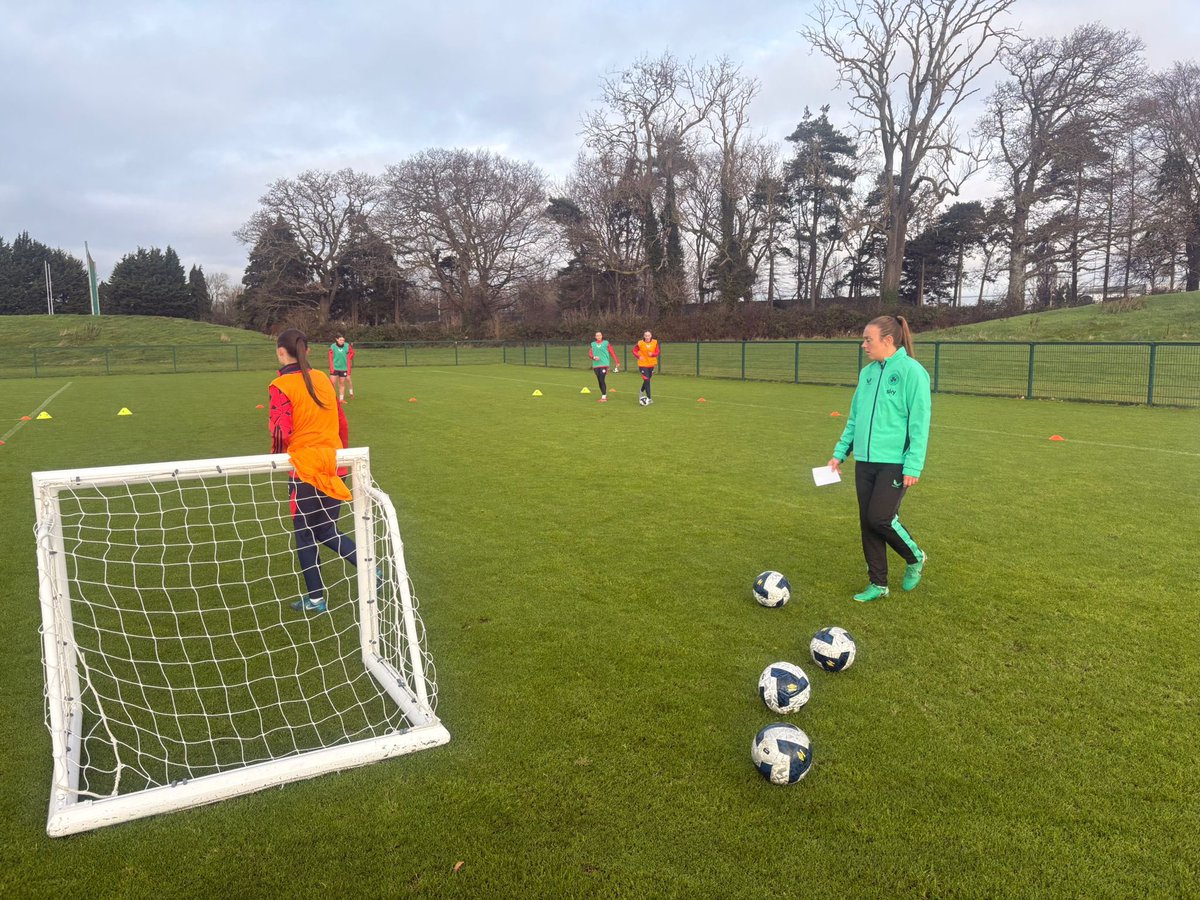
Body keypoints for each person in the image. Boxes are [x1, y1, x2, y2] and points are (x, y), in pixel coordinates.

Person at [828, 315, 931, 603]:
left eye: (867, 339)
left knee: (880, 518)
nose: (863, 345)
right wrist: (840, 453)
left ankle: (915, 557)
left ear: (887, 340)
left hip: (895, 462)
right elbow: (855, 418)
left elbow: (919, 423)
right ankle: (878, 583)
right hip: (865, 460)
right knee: (867, 522)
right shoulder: (867, 374)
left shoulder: (913, 372)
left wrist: (913, 464)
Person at [271, 328, 357, 613]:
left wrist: (276, 458)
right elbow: (341, 423)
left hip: (305, 471)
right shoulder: (322, 378)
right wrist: (342, 458)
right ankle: (373, 571)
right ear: (306, 351)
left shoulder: (280, 385)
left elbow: (281, 433)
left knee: (306, 533)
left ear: (281, 352)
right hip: (335, 464)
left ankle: (317, 599)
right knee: (326, 529)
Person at [588, 331, 619, 402]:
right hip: (596, 365)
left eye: (600, 335)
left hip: (604, 364)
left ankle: (604, 397)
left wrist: (617, 361)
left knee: (602, 379)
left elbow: (612, 352)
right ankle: (603, 395)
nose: (598, 337)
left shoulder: (606, 343)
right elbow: (590, 353)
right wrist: (593, 357)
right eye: (597, 336)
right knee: (599, 380)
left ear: (602, 336)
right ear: (595, 337)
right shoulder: (593, 344)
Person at [633, 330, 660, 404]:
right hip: (642, 364)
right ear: (644, 336)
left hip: (651, 364)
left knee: (647, 380)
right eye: (646, 335)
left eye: (648, 335)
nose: (647, 337)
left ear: (651, 336)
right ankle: (649, 398)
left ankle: (641, 391)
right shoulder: (640, 343)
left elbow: (657, 352)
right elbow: (634, 351)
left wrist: (653, 354)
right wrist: (638, 356)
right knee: (647, 380)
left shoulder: (655, 342)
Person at [328, 334, 355, 402]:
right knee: (332, 383)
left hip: (344, 368)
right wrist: (332, 367)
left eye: (343, 340)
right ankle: (331, 397)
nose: (342, 341)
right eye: (340, 340)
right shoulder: (333, 346)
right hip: (335, 368)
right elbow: (330, 357)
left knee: (341, 383)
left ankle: (341, 399)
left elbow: (352, 353)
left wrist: (348, 358)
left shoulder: (347, 346)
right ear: (336, 339)